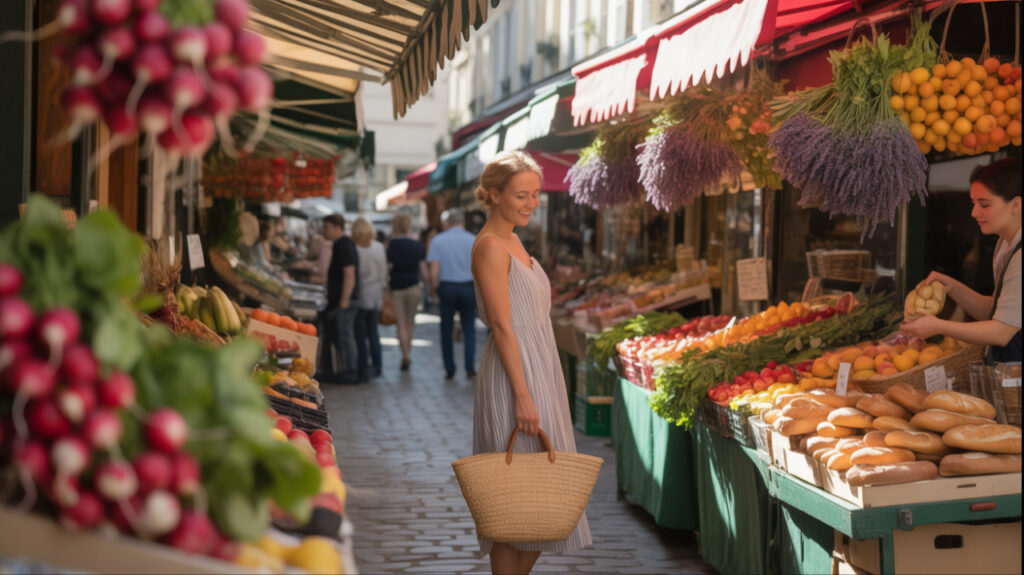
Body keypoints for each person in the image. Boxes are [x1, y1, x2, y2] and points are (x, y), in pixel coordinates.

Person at [469, 151, 592, 573]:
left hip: (542, 368)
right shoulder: (490, 246)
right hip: (514, 374)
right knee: (511, 498)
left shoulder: (515, 241)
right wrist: (522, 395)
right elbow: (502, 326)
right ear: (494, 194)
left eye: (535, 194)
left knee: (545, 496)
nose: (531, 203)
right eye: (521, 195)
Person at [902, 158, 1021, 362]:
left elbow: (1002, 332)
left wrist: (939, 326)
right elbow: (996, 312)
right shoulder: (1004, 244)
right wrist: (952, 287)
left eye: (984, 204)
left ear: (1016, 204)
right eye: (973, 204)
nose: (974, 213)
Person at [427, 209, 477, 380]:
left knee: (446, 330)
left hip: (447, 287)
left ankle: (450, 369)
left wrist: (434, 292)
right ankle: (469, 366)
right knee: (469, 328)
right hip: (468, 287)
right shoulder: (473, 240)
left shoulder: (438, 241)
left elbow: (434, 271)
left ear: (447, 222)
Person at [319, 214, 363, 383]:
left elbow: (349, 273)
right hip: (340, 300)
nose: (325, 231)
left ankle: (350, 372)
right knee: (340, 337)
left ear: (338, 227)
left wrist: (344, 302)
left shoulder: (344, 244)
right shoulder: (340, 244)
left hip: (345, 301)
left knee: (345, 337)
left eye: (327, 228)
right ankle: (338, 370)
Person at [387, 214, 426, 371]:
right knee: (410, 323)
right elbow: (423, 271)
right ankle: (408, 353)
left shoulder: (393, 244)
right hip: (414, 287)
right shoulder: (416, 244)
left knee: (401, 323)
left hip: (397, 288)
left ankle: (405, 356)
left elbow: (389, 267)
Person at [353, 217, 387, 379]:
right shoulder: (379, 247)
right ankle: (378, 365)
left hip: (361, 294)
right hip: (376, 294)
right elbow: (383, 273)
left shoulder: (355, 248)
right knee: (374, 332)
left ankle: (363, 365)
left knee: (360, 334)